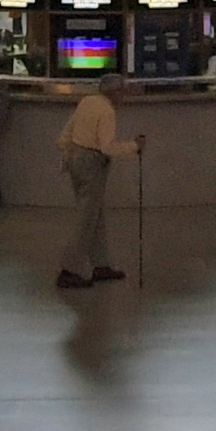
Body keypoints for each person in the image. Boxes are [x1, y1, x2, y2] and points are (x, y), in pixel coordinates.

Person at [57, 75, 138, 289]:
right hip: (93, 162)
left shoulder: (87, 101)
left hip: (76, 157)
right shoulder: (107, 111)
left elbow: (67, 132)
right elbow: (107, 147)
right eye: (123, 91)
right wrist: (134, 147)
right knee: (85, 218)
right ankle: (69, 270)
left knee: (95, 214)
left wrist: (67, 154)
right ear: (115, 92)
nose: (124, 96)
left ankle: (100, 264)